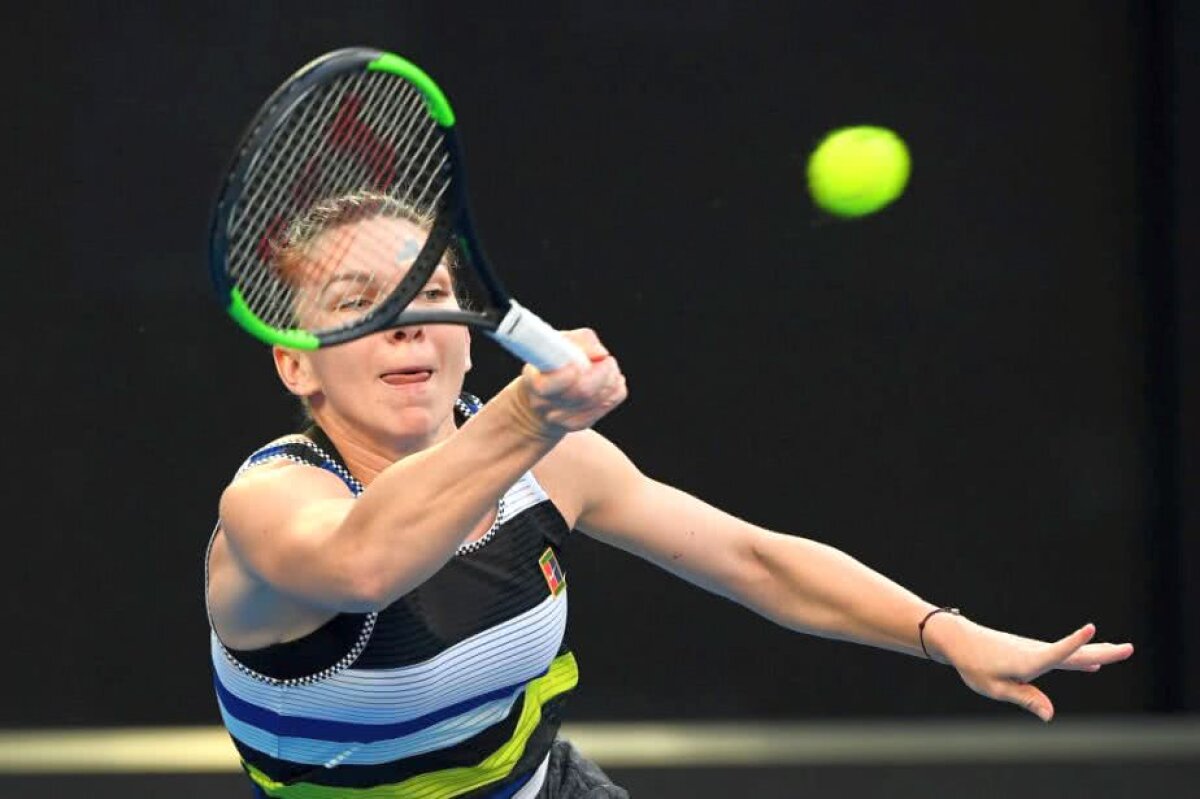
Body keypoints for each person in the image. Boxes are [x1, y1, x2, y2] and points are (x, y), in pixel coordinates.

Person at [205, 193, 1134, 799]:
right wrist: (532, 414)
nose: (408, 324)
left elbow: (754, 560)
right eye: (362, 301)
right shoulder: (269, 507)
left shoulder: (547, 464)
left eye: (431, 290)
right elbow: (364, 562)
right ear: (296, 362)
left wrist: (944, 631)